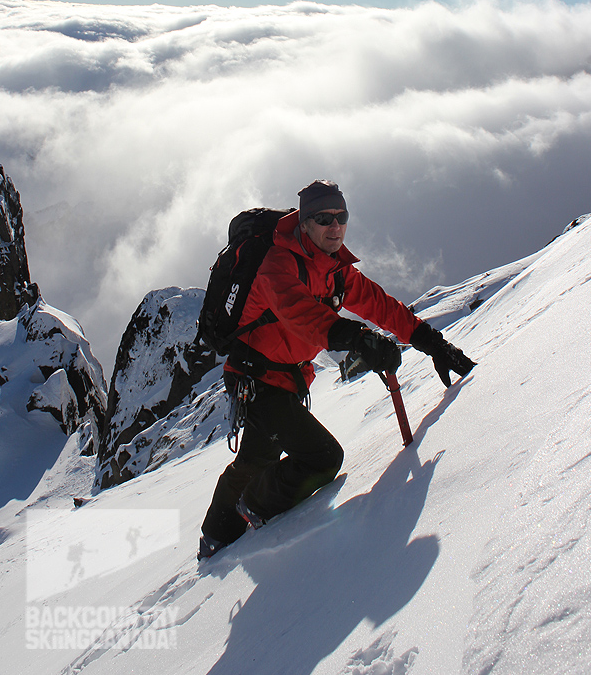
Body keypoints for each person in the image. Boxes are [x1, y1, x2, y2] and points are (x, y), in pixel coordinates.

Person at [198, 179, 475, 560]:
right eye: (323, 218)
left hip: (288, 376)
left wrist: (432, 343)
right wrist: (358, 338)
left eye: (341, 217)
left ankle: (227, 523)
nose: (334, 226)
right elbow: (302, 315)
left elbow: (380, 305)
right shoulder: (276, 265)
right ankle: (237, 518)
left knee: (259, 455)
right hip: (256, 377)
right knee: (321, 458)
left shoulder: (335, 268)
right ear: (303, 222)